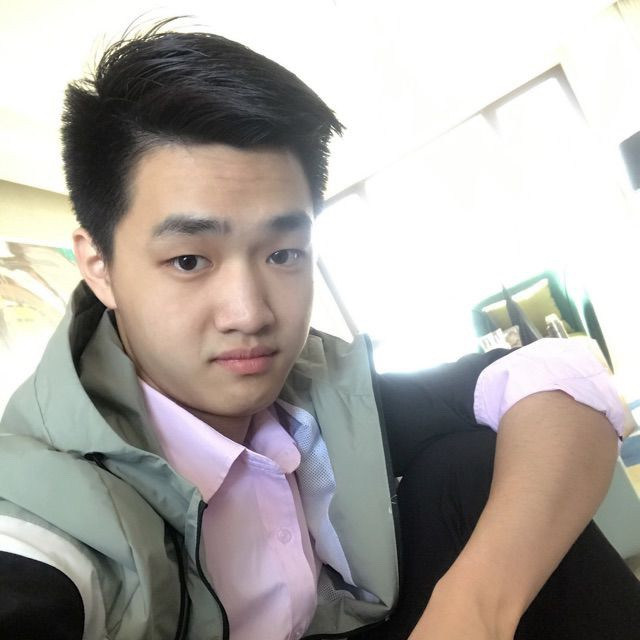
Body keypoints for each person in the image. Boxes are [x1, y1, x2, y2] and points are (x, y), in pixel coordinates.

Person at [0, 21, 638, 640]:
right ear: (99, 266)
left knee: (469, 466)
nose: (250, 313)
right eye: (189, 261)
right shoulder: (43, 521)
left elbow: (556, 375)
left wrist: (472, 610)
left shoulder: (315, 397)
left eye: (283, 254)